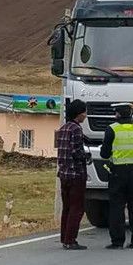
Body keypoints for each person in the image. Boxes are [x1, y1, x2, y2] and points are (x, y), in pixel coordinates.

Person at [100, 103, 133, 249]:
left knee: (116, 207)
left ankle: (117, 241)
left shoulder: (112, 129)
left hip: (117, 171)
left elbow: (104, 154)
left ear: (117, 114)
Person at [56, 99, 88, 250]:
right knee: (77, 208)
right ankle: (71, 240)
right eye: (84, 112)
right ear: (78, 113)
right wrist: (86, 157)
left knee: (67, 207)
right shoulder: (76, 129)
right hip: (76, 174)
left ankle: (64, 237)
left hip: (64, 174)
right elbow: (76, 152)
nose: (85, 115)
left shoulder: (63, 128)